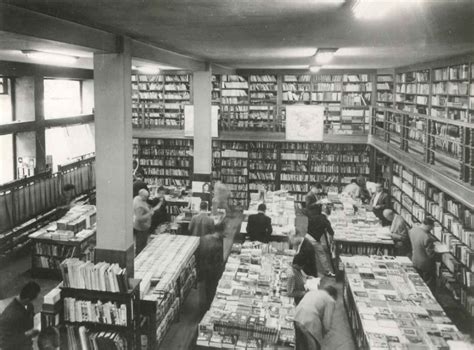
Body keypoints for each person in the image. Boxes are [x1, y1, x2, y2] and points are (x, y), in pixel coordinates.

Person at [294, 285, 337, 350]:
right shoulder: (330, 300)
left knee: (300, 344)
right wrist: (323, 333)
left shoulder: (311, 292)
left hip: (297, 316)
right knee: (314, 346)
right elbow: (327, 324)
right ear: (333, 296)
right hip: (310, 321)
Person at [0, 281, 41, 350]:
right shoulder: (9, 316)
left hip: (27, 345)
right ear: (27, 299)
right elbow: (4, 343)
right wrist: (27, 334)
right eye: (34, 299)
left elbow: (29, 317)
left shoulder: (28, 305)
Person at [198, 231, 224, 314]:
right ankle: (210, 305)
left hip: (205, 269)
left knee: (207, 287)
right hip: (214, 270)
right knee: (212, 287)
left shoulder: (204, 239)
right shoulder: (218, 245)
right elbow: (219, 260)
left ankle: (206, 304)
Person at [307, 203, 335, 277]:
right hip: (315, 240)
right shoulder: (326, 221)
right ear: (328, 214)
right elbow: (331, 232)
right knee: (322, 254)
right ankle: (327, 271)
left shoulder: (314, 216)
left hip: (307, 237)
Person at [409, 217, 437, 292]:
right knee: (428, 284)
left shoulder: (412, 230)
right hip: (425, 264)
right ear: (428, 225)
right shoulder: (427, 237)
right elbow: (430, 254)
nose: (431, 230)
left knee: (417, 282)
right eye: (431, 228)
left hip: (415, 259)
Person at [133, 189, 162, 255]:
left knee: (141, 244)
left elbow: (144, 205)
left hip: (142, 226)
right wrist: (149, 214)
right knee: (141, 246)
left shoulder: (137, 198)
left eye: (147, 196)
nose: (147, 199)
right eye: (145, 197)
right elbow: (139, 219)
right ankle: (139, 258)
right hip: (141, 227)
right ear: (141, 195)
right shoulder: (139, 206)